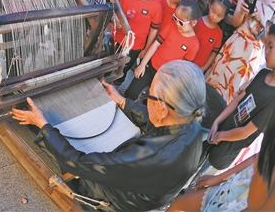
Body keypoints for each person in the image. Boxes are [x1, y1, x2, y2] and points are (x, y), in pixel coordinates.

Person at [12, 60, 206, 211]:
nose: (146, 99)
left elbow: (77, 163)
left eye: (148, 95)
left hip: (113, 200)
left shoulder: (149, 158)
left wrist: (43, 125)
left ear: (163, 109)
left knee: (46, 126)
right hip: (150, 187)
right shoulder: (192, 123)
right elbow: (154, 119)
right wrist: (121, 101)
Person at [168, 85, 275, 211]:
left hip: (228, 162)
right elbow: (258, 158)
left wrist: (220, 136)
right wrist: (218, 179)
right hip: (232, 188)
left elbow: (245, 134)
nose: (255, 169)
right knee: (183, 196)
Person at [204, 21, 275, 171]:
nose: (265, 50)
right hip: (217, 134)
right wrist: (217, 122)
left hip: (224, 153)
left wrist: (220, 136)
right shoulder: (262, 74)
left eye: (271, 47)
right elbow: (239, 99)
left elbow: (245, 132)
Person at [206, 0, 275, 103]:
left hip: (251, 56)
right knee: (215, 81)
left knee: (232, 94)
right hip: (235, 44)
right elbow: (235, 22)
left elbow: (269, 44)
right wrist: (241, 12)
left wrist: (260, 22)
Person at [125, 0, 201, 101]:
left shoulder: (194, 44)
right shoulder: (171, 26)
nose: (177, 23)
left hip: (165, 78)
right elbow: (155, 45)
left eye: (181, 22)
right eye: (175, 18)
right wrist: (142, 64)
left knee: (151, 104)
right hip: (150, 67)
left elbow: (183, 68)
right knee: (131, 93)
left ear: (193, 23)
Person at [112, 0, 162, 86]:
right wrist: (116, 18)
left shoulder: (156, 5)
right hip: (117, 38)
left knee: (122, 70)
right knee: (109, 64)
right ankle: (103, 85)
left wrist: (146, 48)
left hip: (134, 45)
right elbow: (119, 12)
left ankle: (114, 91)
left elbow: (154, 29)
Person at [194, 0, 230, 72]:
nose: (214, 17)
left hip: (198, 68)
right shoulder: (197, 21)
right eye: (213, 11)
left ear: (223, 17)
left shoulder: (218, 33)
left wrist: (204, 68)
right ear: (209, 5)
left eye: (219, 15)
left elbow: (214, 53)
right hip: (184, 61)